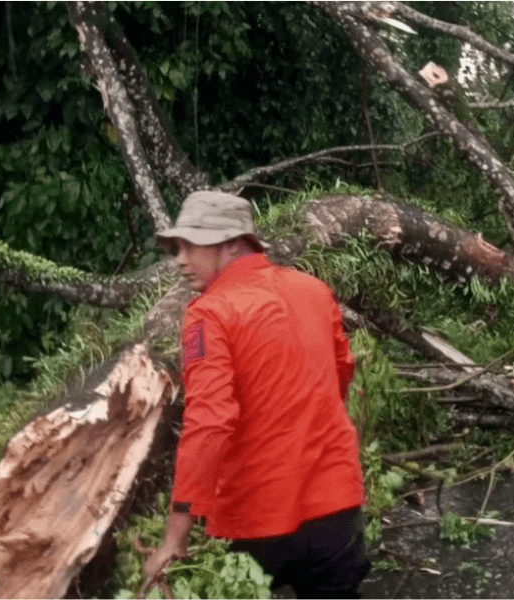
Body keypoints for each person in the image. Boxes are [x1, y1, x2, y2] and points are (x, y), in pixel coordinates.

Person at [142, 191, 370, 597]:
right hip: (336, 508)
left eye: (191, 245)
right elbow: (340, 376)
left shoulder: (209, 312)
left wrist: (176, 533)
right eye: (176, 248)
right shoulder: (314, 291)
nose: (180, 259)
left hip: (257, 520)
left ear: (232, 244)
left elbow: (209, 422)